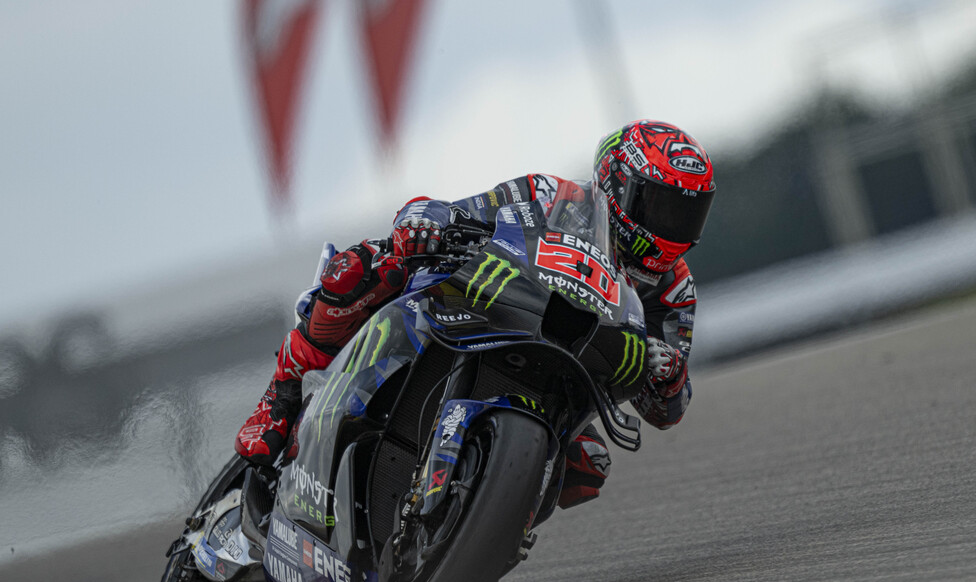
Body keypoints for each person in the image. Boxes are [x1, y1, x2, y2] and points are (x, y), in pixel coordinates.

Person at [235, 119, 715, 508]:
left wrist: (669, 375)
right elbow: (466, 211)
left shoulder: (675, 290)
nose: (672, 228)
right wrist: (427, 221)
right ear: (617, 185)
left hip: (565, 380)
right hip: (492, 312)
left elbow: (666, 411)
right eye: (661, 207)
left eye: (686, 215)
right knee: (365, 269)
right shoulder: (552, 195)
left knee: (587, 464)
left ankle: (488, 527)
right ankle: (281, 394)